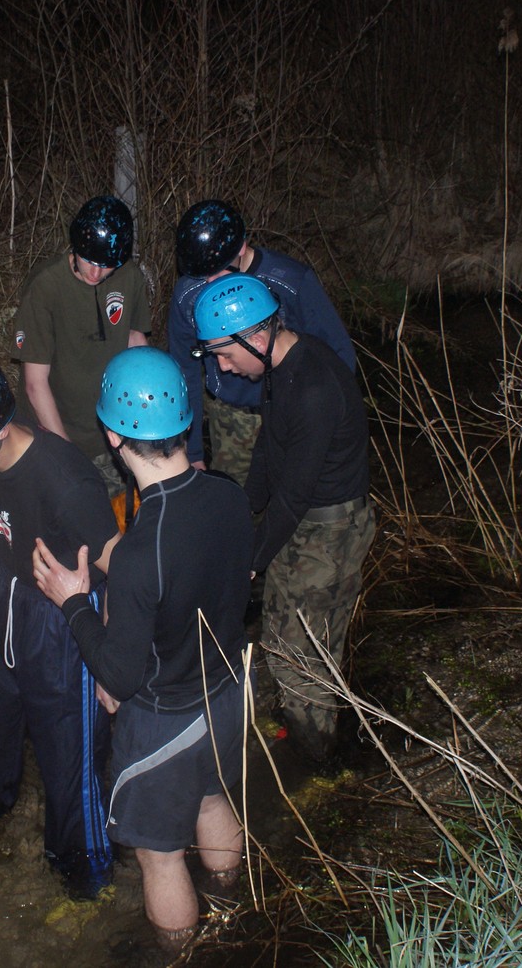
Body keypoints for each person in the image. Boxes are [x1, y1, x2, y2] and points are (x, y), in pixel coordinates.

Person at [32, 347, 253, 957]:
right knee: (212, 797)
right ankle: (234, 908)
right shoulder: (230, 496)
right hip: (229, 693)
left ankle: (183, 954)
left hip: (167, 722)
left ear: (112, 436)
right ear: (184, 420)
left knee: (160, 857)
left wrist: (72, 602)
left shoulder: (139, 551)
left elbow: (120, 677)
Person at [0, 353, 122, 899]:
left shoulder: (66, 482)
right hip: (8, 588)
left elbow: (122, 567)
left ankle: (85, 875)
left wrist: (110, 656)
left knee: (69, 748)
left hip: (64, 610)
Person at [191, 274, 374, 764]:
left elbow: (293, 494)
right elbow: (268, 451)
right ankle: (307, 728)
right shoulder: (280, 367)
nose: (223, 367)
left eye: (225, 354)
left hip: (329, 533)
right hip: (304, 521)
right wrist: (240, 511)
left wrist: (248, 562)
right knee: (286, 633)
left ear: (256, 335)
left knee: (302, 653)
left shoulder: (314, 384)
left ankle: (315, 761)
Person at [166, 199, 355, 485]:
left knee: (295, 495)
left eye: (218, 270)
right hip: (233, 418)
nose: (211, 282)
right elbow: (184, 371)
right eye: (203, 274)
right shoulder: (188, 295)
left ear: (241, 248)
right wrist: (192, 451)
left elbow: (338, 355)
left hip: (293, 412)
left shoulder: (291, 281)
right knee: (237, 499)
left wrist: (330, 423)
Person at [15, 195, 151, 494]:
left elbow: (136, 342)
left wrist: (142, 418)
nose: (95, 273)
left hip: (110, 427)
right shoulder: (46, 286)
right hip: (53, 429)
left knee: (121, 510)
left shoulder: (129, 277)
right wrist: (66, 454)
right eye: (89, 260)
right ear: (75, 246)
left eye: (106, 265)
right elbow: (35, 384)